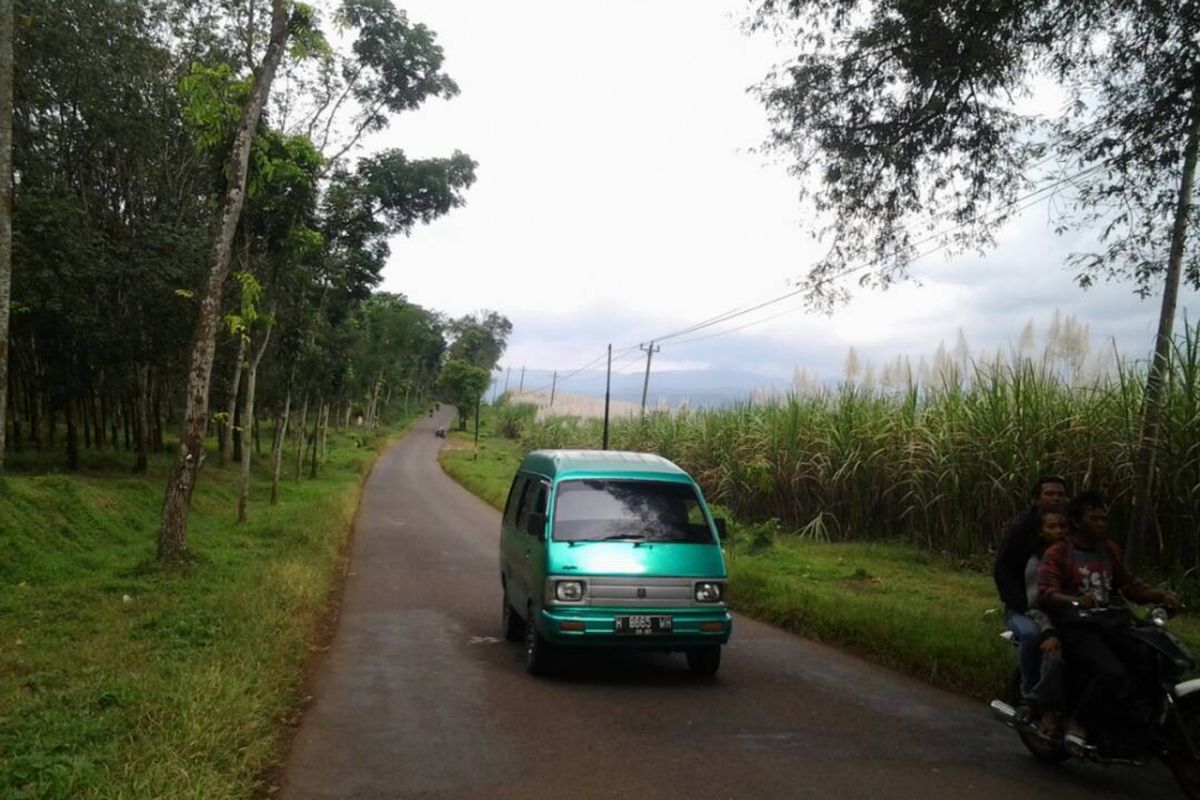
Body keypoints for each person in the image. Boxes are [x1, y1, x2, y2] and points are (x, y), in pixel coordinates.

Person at [1037, 490, 1180, 752]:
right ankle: (1078, 725)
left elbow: (1128, 585)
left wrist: (1159, 595)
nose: (1102, 524)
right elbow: (1047, 591)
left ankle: (1135, 724)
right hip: (1077, 626)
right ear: (1078, 522)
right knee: (1112, 672)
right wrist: (1076, 600)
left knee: (1152, 661)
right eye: (1095, 519)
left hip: (1111, 623)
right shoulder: (1059, 552)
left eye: (1104, 519)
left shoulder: (1109, 550)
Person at [993, 476, 1069, 700]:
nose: (1055, 498)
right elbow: (1002, 568)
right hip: (1025, 604)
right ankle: (1029, 694)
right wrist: (1019, 602)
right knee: (1031, 635)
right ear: (1036, 499)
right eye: (1049, 494)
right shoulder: (1023, 530)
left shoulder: (1070, 531)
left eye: (1060, 494)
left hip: (1057, 604)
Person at [1014, 508, 1069, 738]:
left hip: (1078, 620)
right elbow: (1034, 605)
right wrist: (1048, 632)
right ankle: (1039, 704)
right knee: (1054, 657)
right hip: (1051, 621)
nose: (1058, 532)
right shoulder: (1037, 562)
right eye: (1051, 527)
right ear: (1041, 531)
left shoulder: (1079, 557)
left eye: (1062, 526)